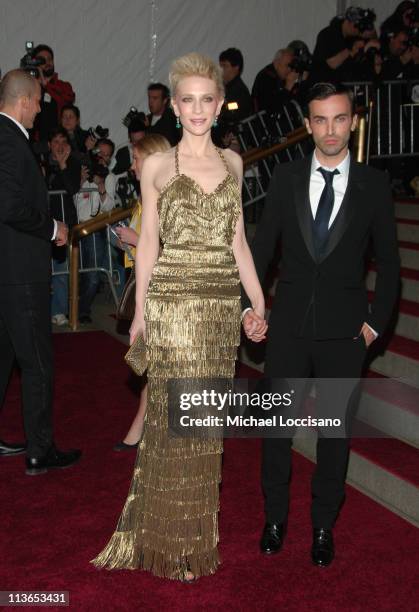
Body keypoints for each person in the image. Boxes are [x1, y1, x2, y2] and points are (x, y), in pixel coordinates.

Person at [92, 52, 266, 581]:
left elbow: (238, 242)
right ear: (175, 105)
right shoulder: (157, 166)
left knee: (205, 427)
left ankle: (192, 540)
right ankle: (166, 542)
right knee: (175, 425)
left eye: (205, 99)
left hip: (217, 312)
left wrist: (257, 303)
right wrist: (140, 311)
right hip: (172, 304)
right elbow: (147, 243)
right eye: (186, 99)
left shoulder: (234, 163)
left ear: (218, 105)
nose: (196, 109)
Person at [242, 82, 400, 567]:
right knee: (275, 433)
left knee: (334, 438)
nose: (329, 130)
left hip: (344, 337)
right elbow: (262, 251)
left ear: (351, 121)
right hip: (286, 330)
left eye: (338, 119)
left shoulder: (374, 185)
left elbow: (391, 266)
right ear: (308, 124)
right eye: (319, 120)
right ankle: (274, 519)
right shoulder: (286, 178)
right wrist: (251, 309)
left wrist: (372, 330)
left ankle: (323, 526)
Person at [0, 69, 81, 472]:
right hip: (19, 271)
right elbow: (10, 207)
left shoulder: (9, 139)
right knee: (36, 361)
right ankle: (40, 449)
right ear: (25, 100)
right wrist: (54, 228)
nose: (41, 110)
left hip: (8, 270)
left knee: (5, 357)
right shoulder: (9, 141)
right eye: (39, 102)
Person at [113, 134, 171, 452]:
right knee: (151, 364)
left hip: (165, 292)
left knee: (156, 365)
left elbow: (175, 252)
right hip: (149, 289)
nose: (132, 166)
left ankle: (144, 429)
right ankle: (142, 428)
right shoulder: (147, 194)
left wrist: (138, 241)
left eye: (136, 159)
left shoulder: (167, 197)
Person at [44, 127, 81, 326]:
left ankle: (58, 310)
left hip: (65, 222)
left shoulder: (73, 164)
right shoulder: (39, 162)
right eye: (55, 141)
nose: (59, 146)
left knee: (62, 267)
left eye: (62, 141)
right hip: (43, 222)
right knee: (42, 269)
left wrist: (63, 164)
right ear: (49, 144)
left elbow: (72, 188)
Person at [31, 44, 75, 143]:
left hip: (61, 141)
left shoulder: (64, 86)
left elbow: (67, 99)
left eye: (50, 59)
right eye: (42, 60)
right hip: (37, 142)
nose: (47, 62)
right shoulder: (30, 87)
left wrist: (45, 86)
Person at [252, 48, 298, 113]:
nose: (289, 70)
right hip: (263, 121)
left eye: (291, 66)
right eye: (287, 65)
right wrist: (288, 87)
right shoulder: (265, 77)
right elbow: (272, 107)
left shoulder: (282, 77)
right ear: (276, 63)